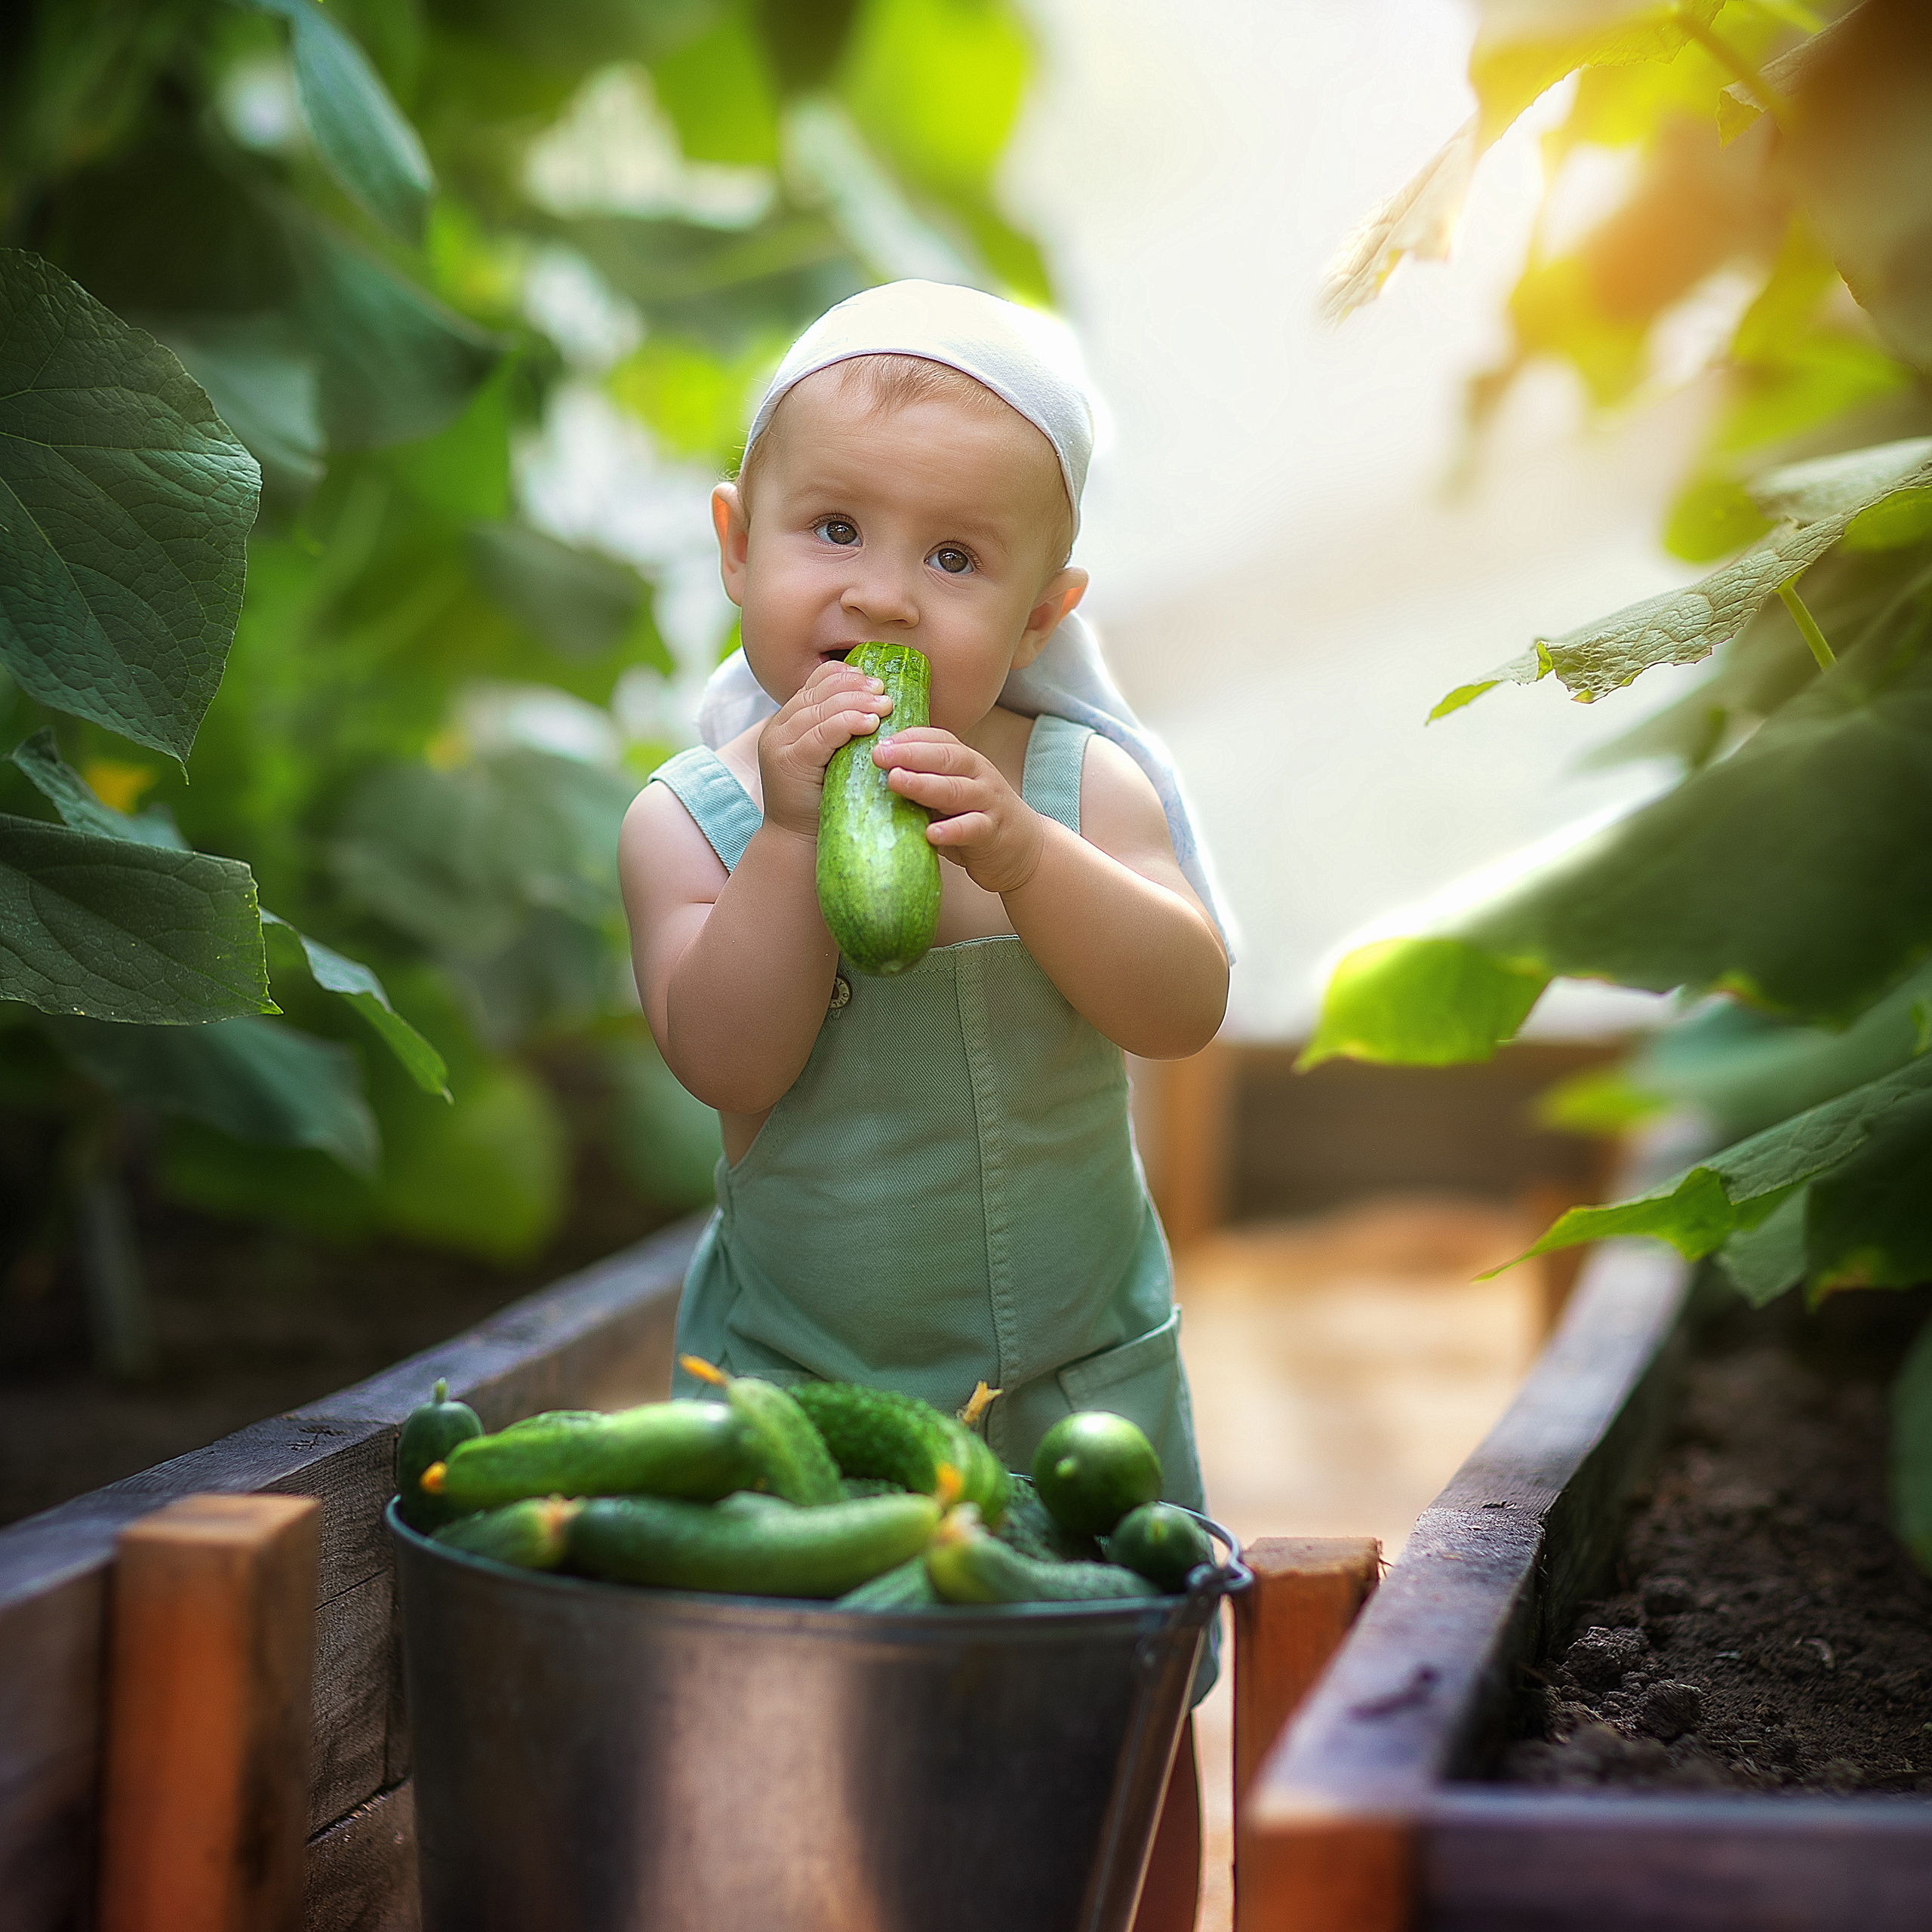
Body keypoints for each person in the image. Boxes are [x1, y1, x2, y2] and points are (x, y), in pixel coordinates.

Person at [617, 280, 1231, 1930]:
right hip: (811, 1374)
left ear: (1043, 608)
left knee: (1128, 1707)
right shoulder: (689, 822)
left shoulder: (1074, 784)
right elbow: (726, 1057)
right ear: (737, 543)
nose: (879, 595)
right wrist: (804, 846)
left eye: (955, 560)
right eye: (831, 528)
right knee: (818, 1730)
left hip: (1076, 1368)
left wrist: (1032, 862)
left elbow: (1180, 1003)